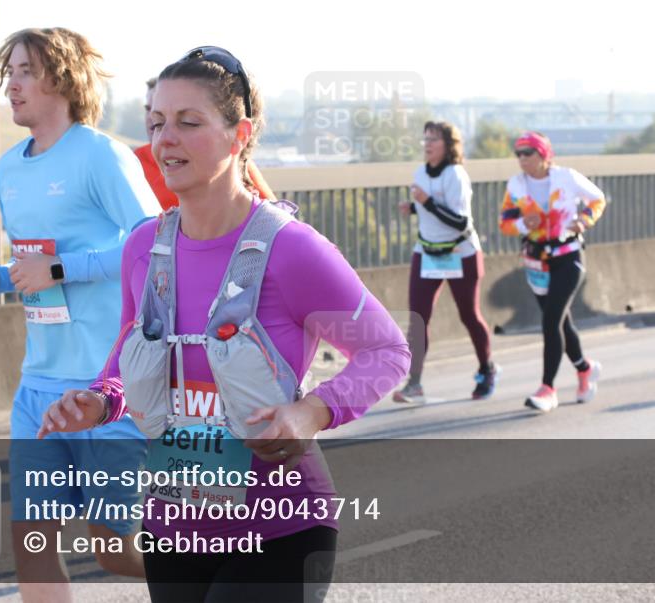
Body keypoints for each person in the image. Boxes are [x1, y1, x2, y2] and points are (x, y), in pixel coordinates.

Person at [36, 46, 410, 603]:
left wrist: (311, 411)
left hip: (282, 528)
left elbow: (388, 351)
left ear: (240, 135)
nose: (166, 140)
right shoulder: (145, 246)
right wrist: (97, 401)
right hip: (173, 530)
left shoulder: (291, 249)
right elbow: (128, 353)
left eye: (189, 123)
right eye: (157, 123)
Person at [0, 27, 161, 602]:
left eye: (24, 71)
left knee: (114, 548)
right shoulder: (8, 167)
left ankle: (222, 578)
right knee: (30, 540)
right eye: (8, 74)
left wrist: (62, 270)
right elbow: (38, 258)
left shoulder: (100, 154)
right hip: (38, 386)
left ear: (61, 78)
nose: (12, 85)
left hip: (107, 386)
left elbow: (152, 242)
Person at [499, 132, 605, 413]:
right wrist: (523, 224)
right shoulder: (516, 185)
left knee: (550, 321)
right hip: (536, 260)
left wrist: (583, 220)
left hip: (568, 257)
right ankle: (584, 368)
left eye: (528, 153)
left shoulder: (567, 177)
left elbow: (598, 200)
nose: (522, 159)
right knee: (561, 323)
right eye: (518, 153)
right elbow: (505, 222)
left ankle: (548, 388)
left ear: (545, 155)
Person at [393, 121, 498, 404]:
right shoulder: (420, 172)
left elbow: (458, 220)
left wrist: (425, 203)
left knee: (469, 315)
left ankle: (486, 369)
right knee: (417, 319)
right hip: (427, 252)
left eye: (434, 139)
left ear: (448, 145)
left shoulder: (456, 175)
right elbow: (432, 208)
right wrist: (413, 207)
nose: (427, 144)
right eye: (425, 138)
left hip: (459, 252)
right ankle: (414, 383)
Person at [134, 77, 276, 209]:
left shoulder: (229, 159)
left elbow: (272, 213)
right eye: (156, 116)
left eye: (188, 122)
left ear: (239, 136)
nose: (166, 135)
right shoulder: (135, 162)